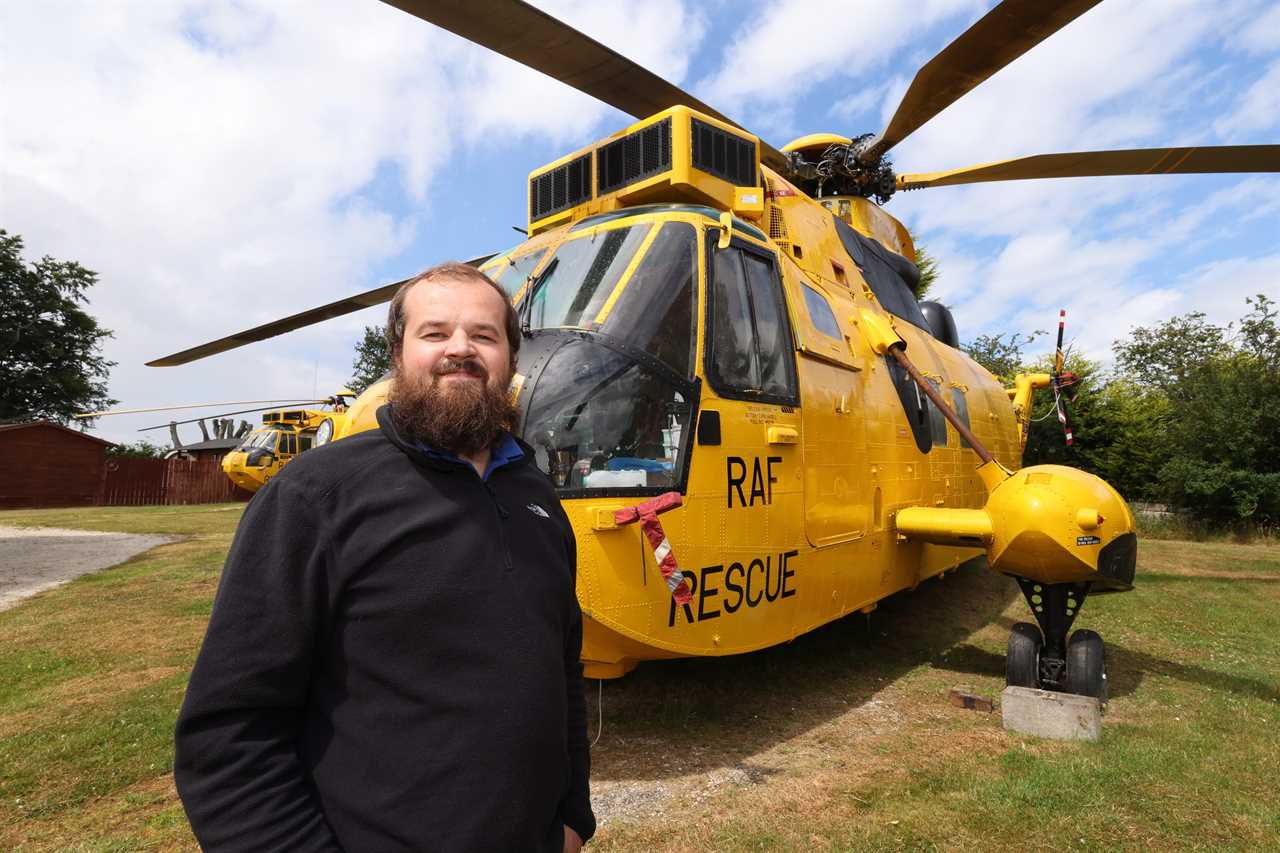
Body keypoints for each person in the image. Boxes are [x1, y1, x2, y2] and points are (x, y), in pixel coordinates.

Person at [175, 262, 595, 852]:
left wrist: (573, 816)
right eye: (435, 333)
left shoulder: (537, 497)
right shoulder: (313, 496)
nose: (460, 350)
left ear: (509, 357)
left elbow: (563, 672)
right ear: (397, 353)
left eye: (483, 335)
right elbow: (229, 733)